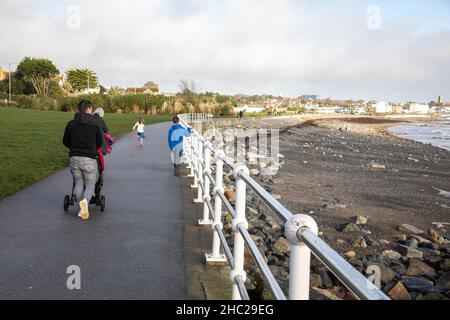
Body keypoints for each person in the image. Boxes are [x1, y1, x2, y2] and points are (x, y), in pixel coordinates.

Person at [63, 100, 103, 220]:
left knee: (79, 182)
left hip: (74, 157)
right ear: (89, 109)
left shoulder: (71, 124)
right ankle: (84, 203)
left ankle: (82, 206)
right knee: (90, 184)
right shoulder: (95, 124)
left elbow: (65, 141)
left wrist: (74, 147)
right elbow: (99, 143)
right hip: (89, 158)